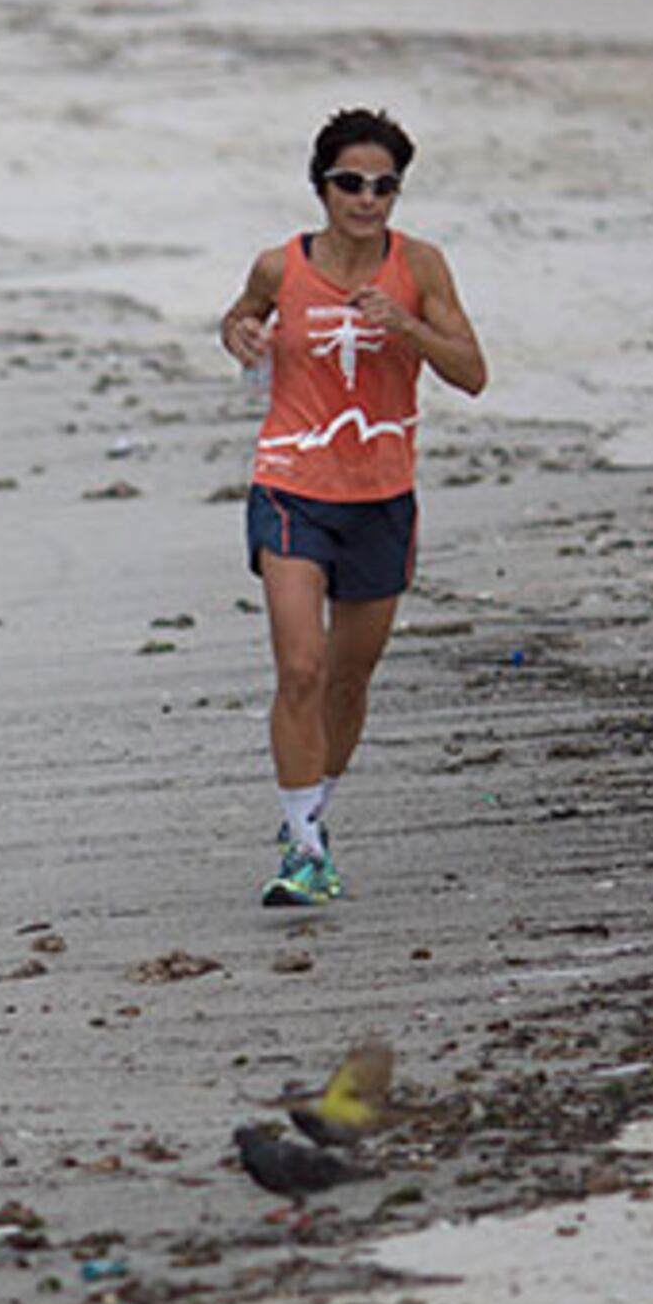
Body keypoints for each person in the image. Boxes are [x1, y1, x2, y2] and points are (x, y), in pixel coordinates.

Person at [215, 110, 489, 909]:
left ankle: (315, 811)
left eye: (384, 186)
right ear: (321, 185)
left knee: (347, 676)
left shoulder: (422, 267)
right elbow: (241, 320)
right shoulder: (279, 265)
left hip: (381, 494)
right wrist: (238, 336)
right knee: (299, 667)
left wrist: (405, 326)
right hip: (292, 485)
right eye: (350, 184)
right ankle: (304, 849)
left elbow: (473, 373)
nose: (366, 200)